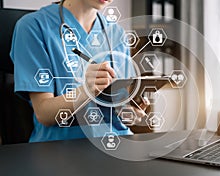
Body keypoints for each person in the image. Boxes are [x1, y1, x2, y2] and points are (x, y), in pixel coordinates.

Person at [10, 0, 149, 143]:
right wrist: (86, 91)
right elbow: (44, 114)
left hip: (117, 143)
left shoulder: (117, 34)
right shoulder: (33, 27)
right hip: (61, 147)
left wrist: (129, 113)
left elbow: (118, 106)